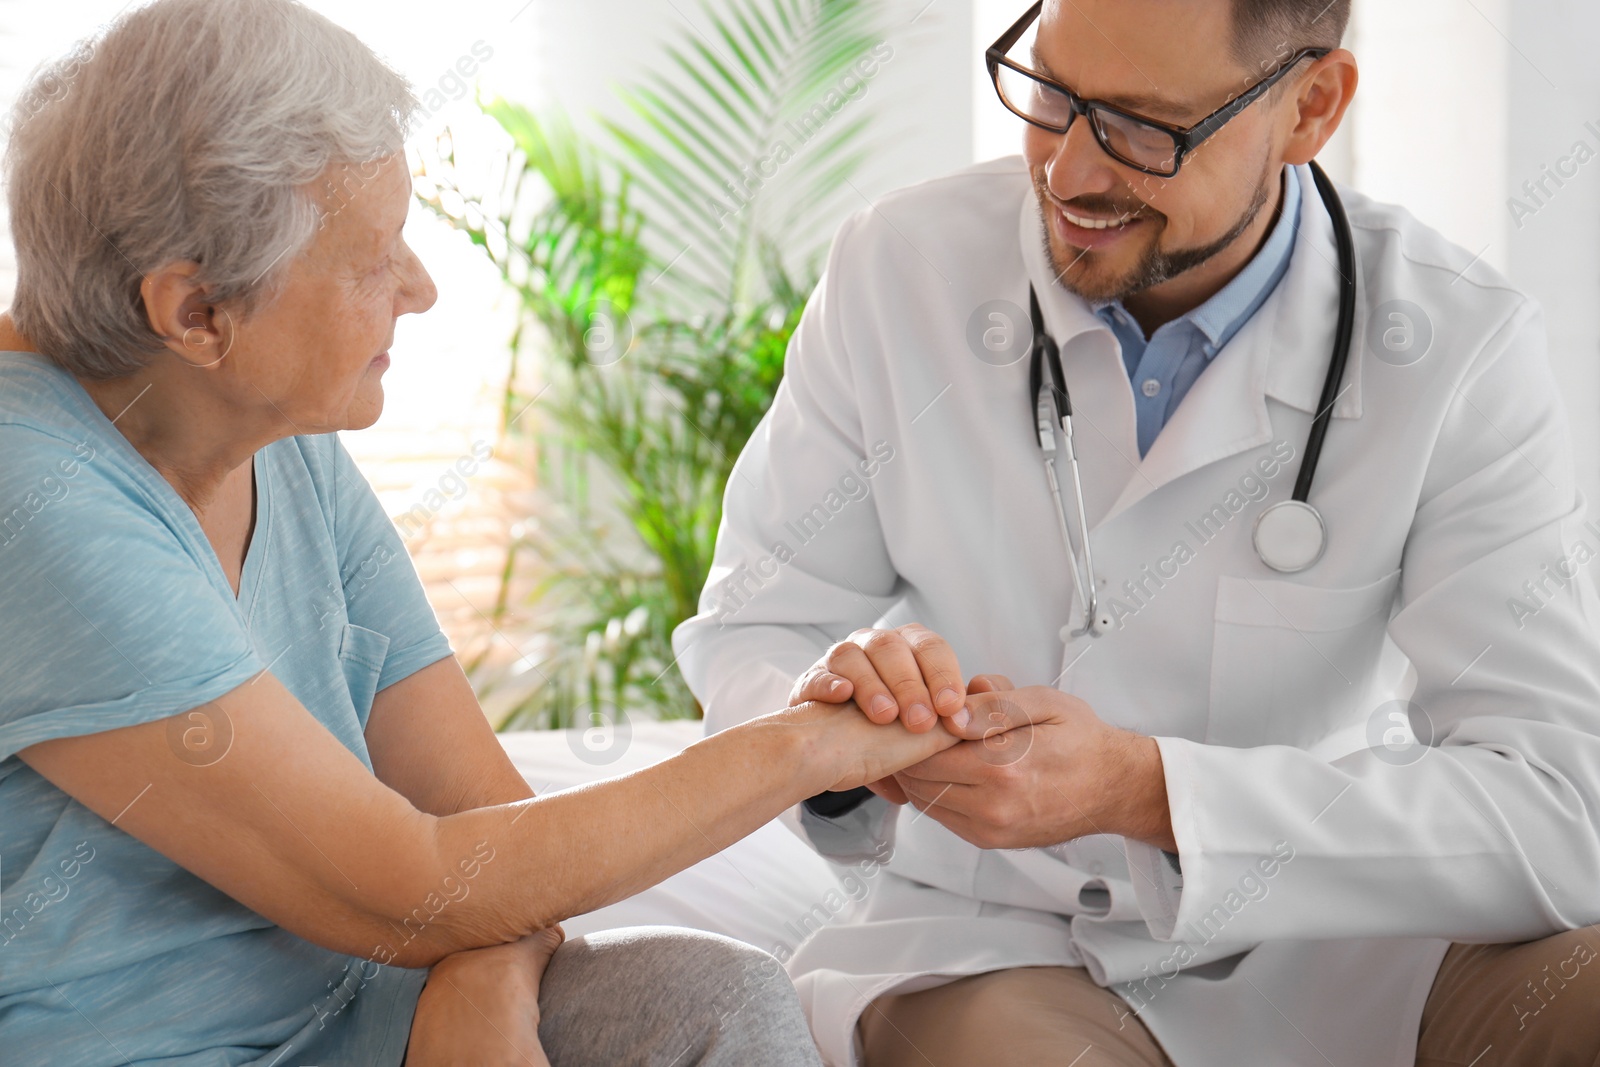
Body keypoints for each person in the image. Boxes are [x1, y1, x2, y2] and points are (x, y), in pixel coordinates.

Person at [0, 2, 977, 1064]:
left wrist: (481, 979)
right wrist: (808, 740)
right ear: (195, 315)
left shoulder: (271, 431)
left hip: (367, 1015)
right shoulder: (40, 506)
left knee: (715, 998)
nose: (419, 287)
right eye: (370, 261)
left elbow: (480, 818)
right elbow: (413, 881)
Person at [672, 1, 1600, 1064]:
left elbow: (1558, 805)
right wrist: (841, 721)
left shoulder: (1457, 342)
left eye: (1143, 128)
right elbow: (755, 628)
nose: (1067, 172)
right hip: (999, 934)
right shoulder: (898, 269)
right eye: (1053, 95)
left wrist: (1146, 789)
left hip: (1348, 926)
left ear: (1310, 106)